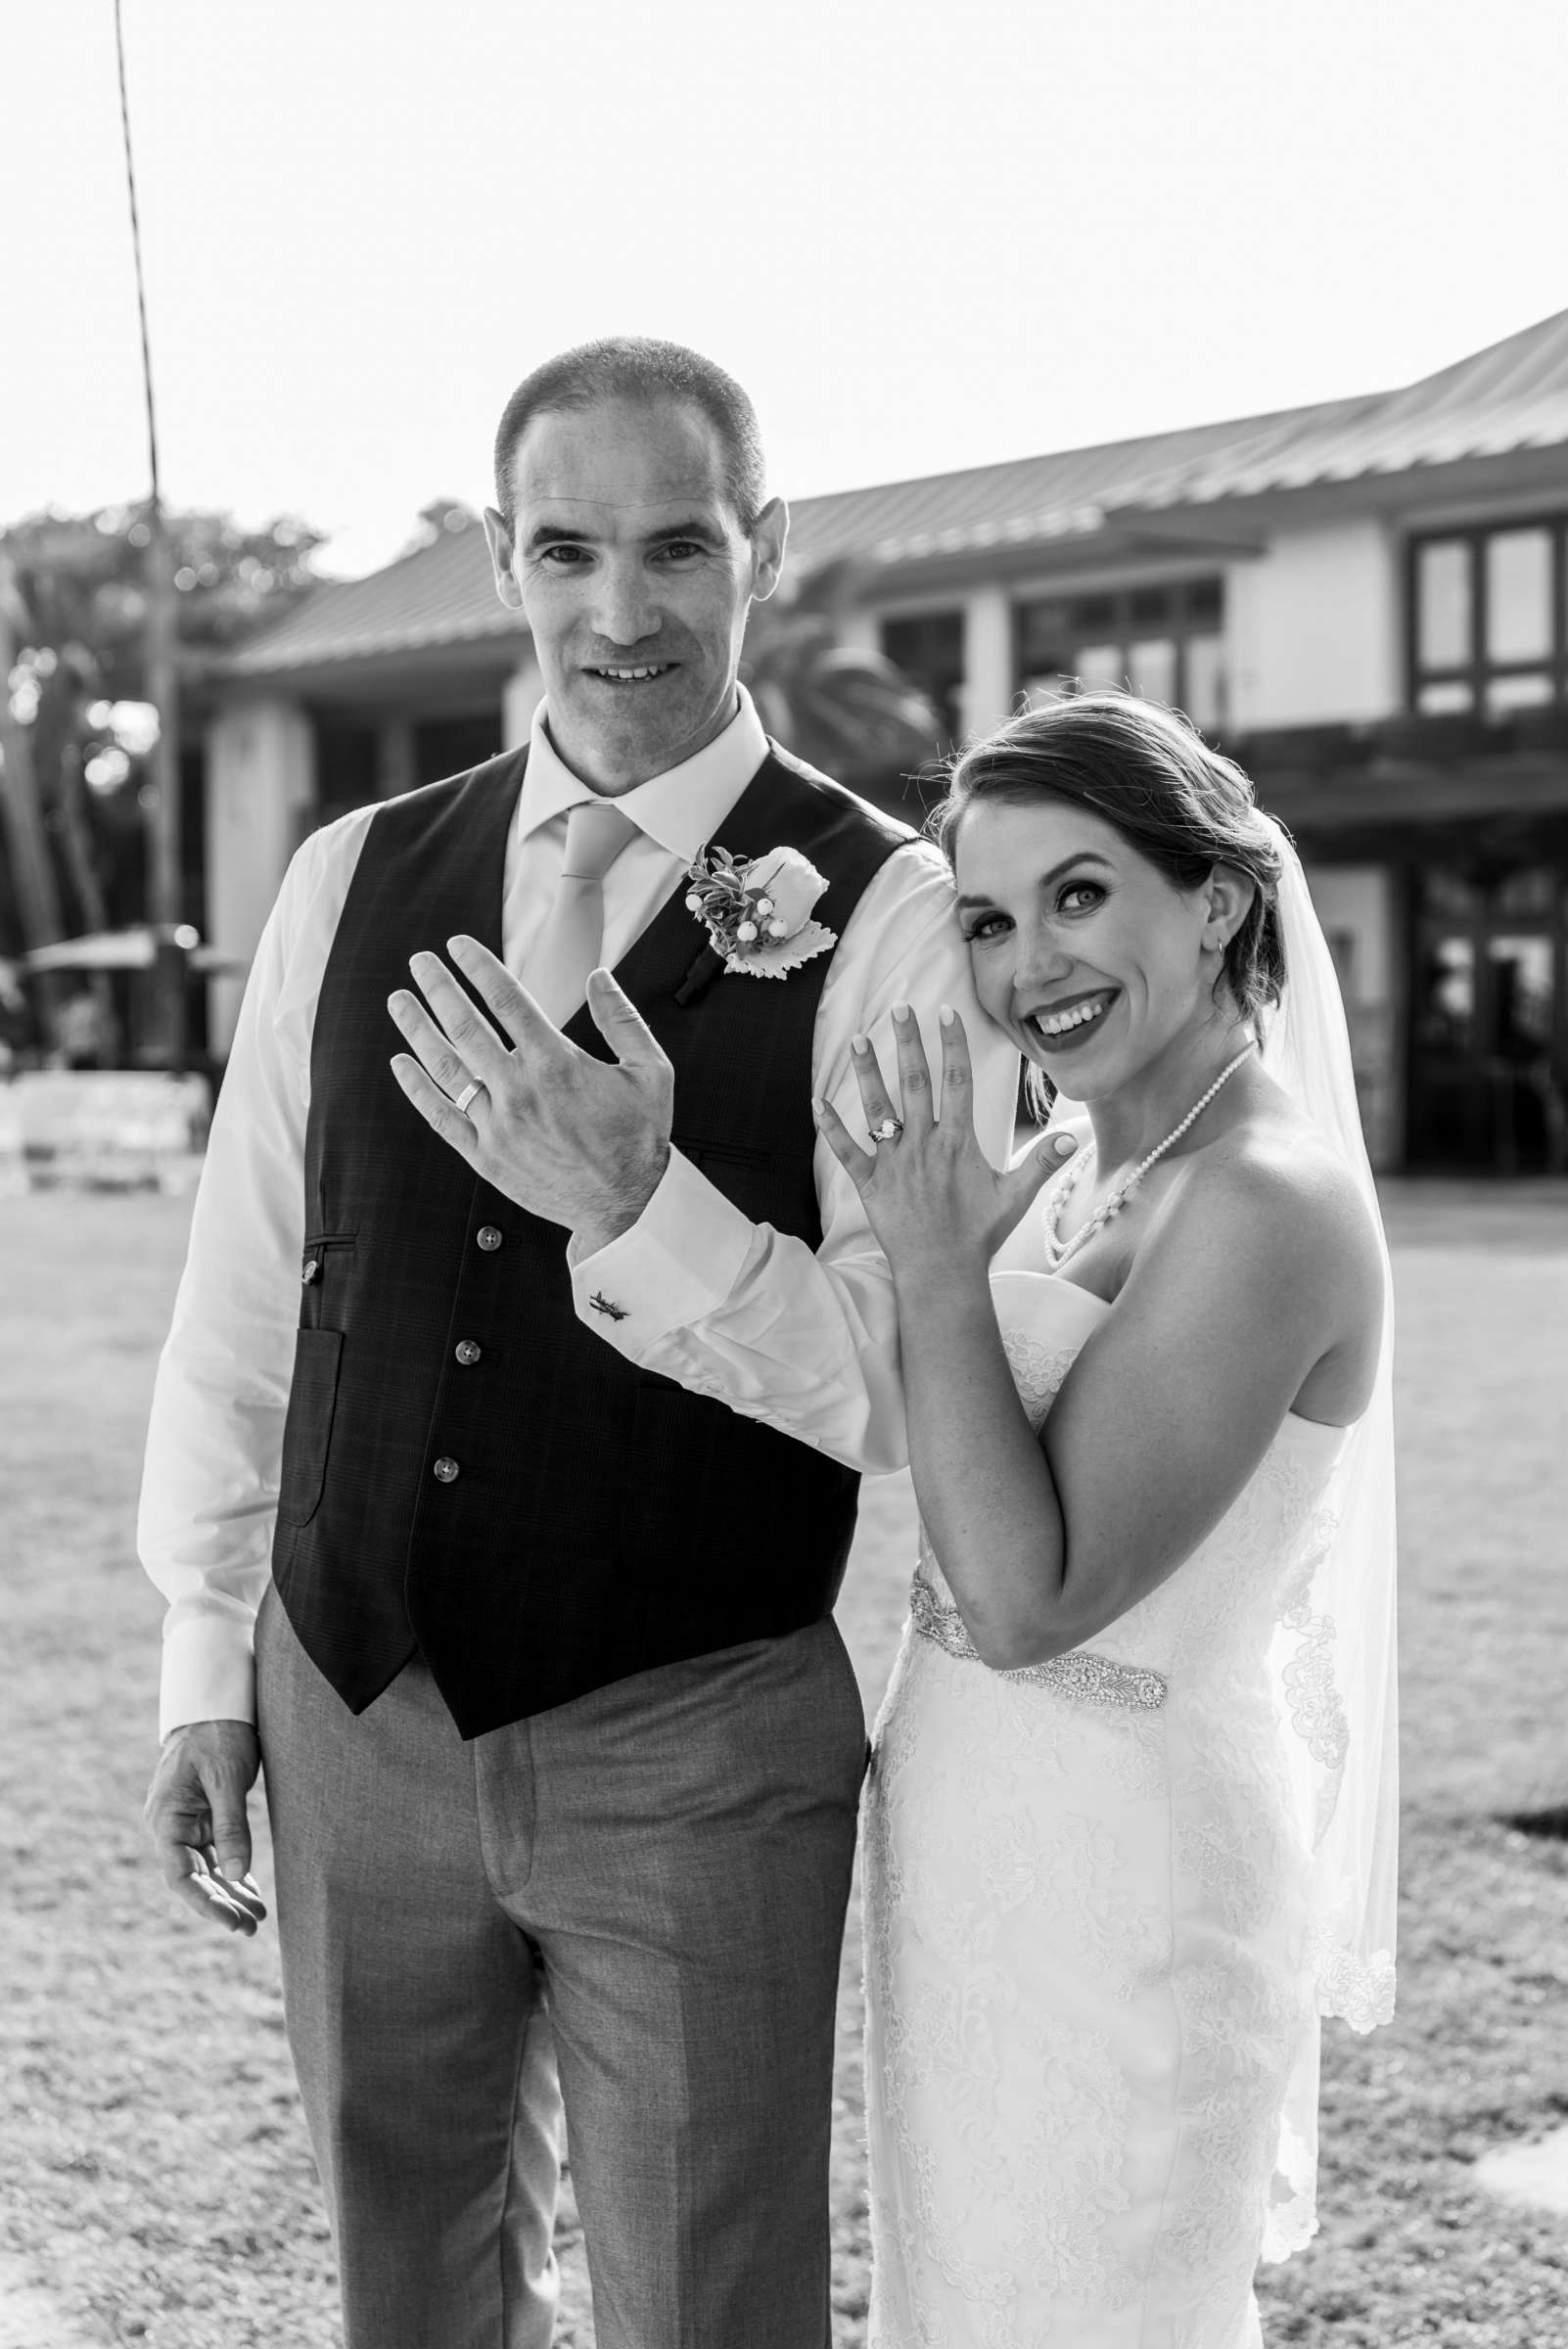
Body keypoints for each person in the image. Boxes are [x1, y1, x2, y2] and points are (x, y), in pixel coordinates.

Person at [137, 336, 1021, 2349]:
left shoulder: (886, 919)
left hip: (695, 1736)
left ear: (761, 550)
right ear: (501, 561)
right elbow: (253, 1284)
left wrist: (642, 1213)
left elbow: (902, 1390)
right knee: (410, 2290)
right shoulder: (347, 879)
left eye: (677, 546)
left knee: (710, 2304)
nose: (621, 611)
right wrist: (209, 1663)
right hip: (353, 1707)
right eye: (567, 550)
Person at [553, 692, 1400, 2346]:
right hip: (976, 1857)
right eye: (993, 919)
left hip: (1124, 1881)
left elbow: (1028, 1597)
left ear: (1216, 900)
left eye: (1081, 895)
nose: (1029, 967)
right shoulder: (1098, 1161)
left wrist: (934, 1264)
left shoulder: (1262, 1200)